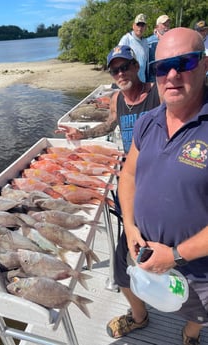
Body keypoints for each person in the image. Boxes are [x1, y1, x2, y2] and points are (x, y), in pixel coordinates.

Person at [107, 27, 208, 345]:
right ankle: (139, 317)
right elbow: (130, 176)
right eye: (163, 67)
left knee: (198, 312)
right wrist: (131, 226)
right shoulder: (148, 121)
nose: (173, 74)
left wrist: (176, 255)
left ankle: (190, 336)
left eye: (186, 62)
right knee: (123, 277)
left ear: (204, 64)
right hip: (138, 241)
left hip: (195, 265)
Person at [56, 45, 160, 155]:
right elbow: (108, 126)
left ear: (136, 66)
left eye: (125, 67)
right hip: (131, 165)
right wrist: (82, 134)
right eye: (114, 71)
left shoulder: (157, 92)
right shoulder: (116, 99)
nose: (120, 74)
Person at [118, 14, 149, 83]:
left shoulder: (145, 42)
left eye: (142, 25)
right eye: (138, 25)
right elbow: (118, 58)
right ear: (133, 26)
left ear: (145, 27)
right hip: (130, 81)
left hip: (142, 81)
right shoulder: (126, 39)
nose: (140, 28)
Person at [147, 14, 171, 81]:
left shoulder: (171, 40)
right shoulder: (148, 42)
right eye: (164, 24)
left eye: (168, 24)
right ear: (157, 26)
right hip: (153, 79)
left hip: (167, 77)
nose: (167, 27)